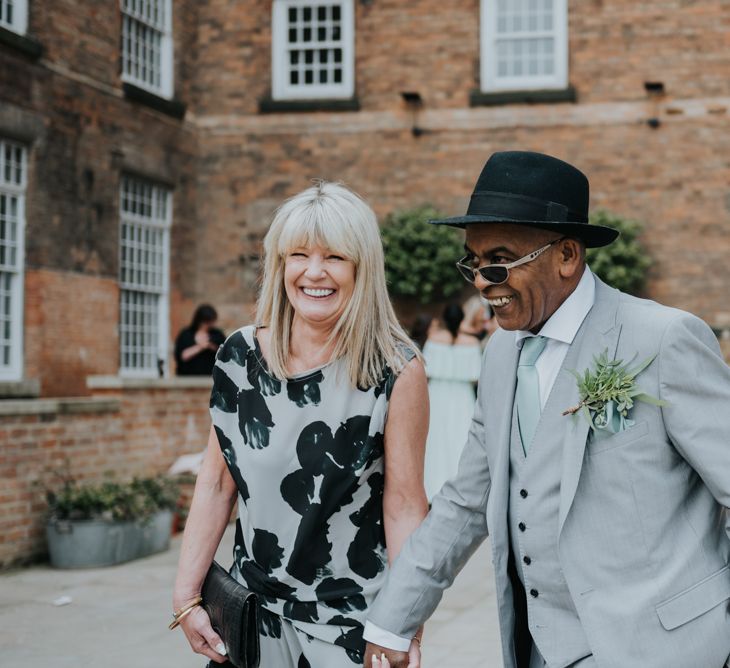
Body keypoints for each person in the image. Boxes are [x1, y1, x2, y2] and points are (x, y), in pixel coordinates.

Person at [363, 151, 730, 668]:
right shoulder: (500, 354)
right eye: (472, 262)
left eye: (499, 261)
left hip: (664, 649)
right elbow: (466, 502)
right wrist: (391, 623)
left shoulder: (663, 339)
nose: (482, 282)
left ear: (567, 256)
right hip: (539, 649)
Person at [172, 181, 428, 667]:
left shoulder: (396, 370)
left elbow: (404, 505)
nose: (314, 272)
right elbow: (215, 483)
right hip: (251, 616)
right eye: (299, 255)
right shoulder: (239, 357)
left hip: (351, 623)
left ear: (362, 268)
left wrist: (406, 623)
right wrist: (186, 596)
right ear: (279, 263)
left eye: (334, 257)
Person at [422, 304, 481, 501]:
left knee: (435, 441)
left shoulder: (433, 340)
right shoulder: (472, 343)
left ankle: (432, 488)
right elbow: (476, 376)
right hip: (462, 395)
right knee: (460, 439)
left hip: (437, 393)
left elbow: (426, 372)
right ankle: (460, 489)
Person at [175, 304, 226, 375]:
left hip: (211, 376)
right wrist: (201, 346)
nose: (208, 325)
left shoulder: (217, 334)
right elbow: (183, 356)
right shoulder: (186, 334)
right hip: (187, 377)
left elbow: (224, 353)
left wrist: (210, 345)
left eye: (210, 322)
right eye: (206, 322)